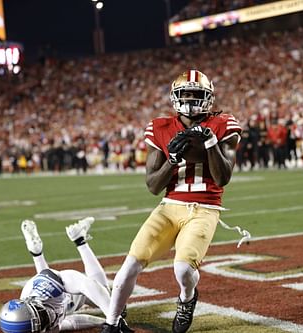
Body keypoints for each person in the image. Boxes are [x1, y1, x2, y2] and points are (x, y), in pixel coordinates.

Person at [101, 69, 242, 333]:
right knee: (129, 266)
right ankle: (111, 324)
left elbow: (223, 178)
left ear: (208, 98)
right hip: (169, 207)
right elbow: (153, 185)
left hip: (205, 208)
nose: (190, 99)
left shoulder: (224, 124)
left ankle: (187, 298)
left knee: (183, 270)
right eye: (185, 94)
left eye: (196, 94)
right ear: (175, 97)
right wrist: (172, 160)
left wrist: (210, 141)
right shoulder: (160, 127)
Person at [0, 217, 115, 332]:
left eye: (41, 314)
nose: (47, 316)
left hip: (66, 291)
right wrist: (102, 322)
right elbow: (69, 323)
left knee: (105, 296)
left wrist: (112, 321)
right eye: (42, 320)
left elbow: (87, 285)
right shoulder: (39, 319)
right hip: (55, 294)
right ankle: (37, 253)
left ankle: (79, 240)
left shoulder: (45, 290)